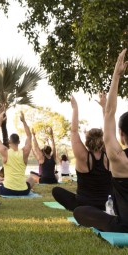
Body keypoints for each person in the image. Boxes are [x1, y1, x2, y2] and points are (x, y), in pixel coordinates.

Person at [74, 49, 128, 232]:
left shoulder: (118, 157)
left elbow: (110, 113)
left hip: (124, 226)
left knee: (81, 212)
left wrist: (116, 75)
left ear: (121, 134)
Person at [52, 93, 111, 211]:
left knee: (56, 191)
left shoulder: (82, 156)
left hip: (83, 205)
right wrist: (104, 108)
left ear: (87, 141)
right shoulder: (109, 156)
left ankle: (84, 212)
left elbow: (74, 131)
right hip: (106, 205)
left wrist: (75, 108)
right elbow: (109, 130)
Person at [0, 112, 36, 195]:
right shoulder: (25, 152)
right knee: (31, 179)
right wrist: (24, 121)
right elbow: (29, 136)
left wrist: (0, 121)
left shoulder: (5, 152)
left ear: (9, 141)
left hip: (7, 190)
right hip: (23, 191)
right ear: (19, 142)